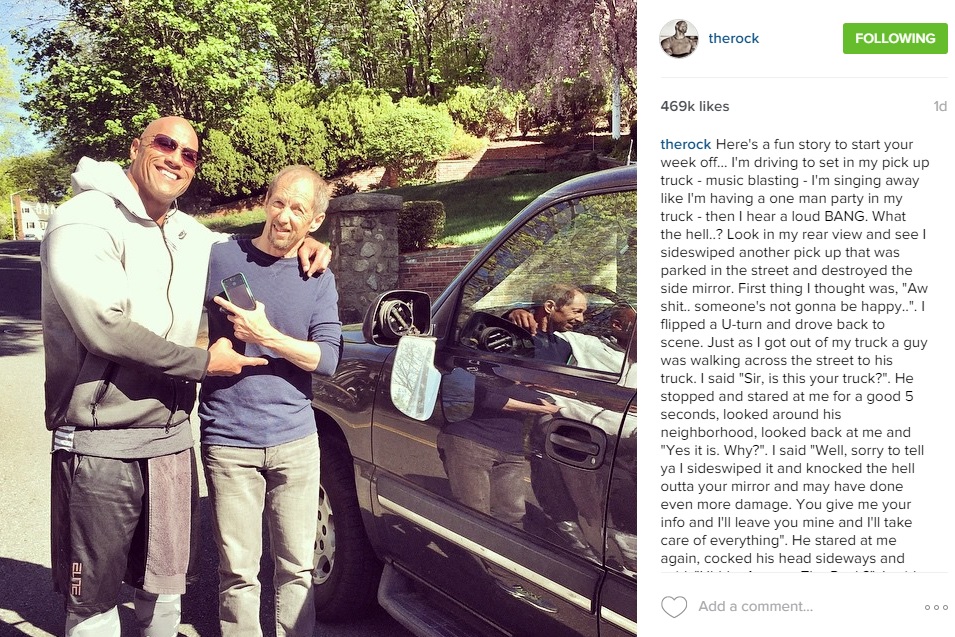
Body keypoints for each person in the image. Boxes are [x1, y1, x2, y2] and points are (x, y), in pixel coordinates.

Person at [41, 116, 330, 637]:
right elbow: (104, 328)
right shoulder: (82, 219)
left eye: (189, 154)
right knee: (94, 600)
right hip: (101, 438)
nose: (176, 158)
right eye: (164, 144)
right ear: (136, 148)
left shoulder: (189, 235)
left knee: (164, 590)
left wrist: (312, 243)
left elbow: (255, 253)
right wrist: (202, 364)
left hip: (170, 439)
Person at [198, 165, 342, 636]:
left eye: (298, 209)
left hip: (295, 442)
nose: (284, 216)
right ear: (265, 202)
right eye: (278, 202)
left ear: (315, 221)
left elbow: (326, 359)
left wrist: (266, 336)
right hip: (228, 440)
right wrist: (200, 356)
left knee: (297, 569)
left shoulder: (317, 275)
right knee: (238, 574)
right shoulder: (221, 257)